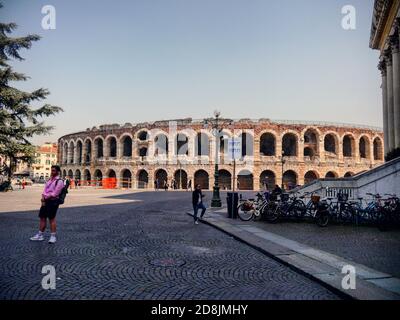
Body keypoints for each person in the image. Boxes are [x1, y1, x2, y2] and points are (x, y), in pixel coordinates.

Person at [30, 165, 64, 244]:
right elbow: (45, 189)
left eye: (54, 171)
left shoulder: (59, 181)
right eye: (51, 170)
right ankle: (40, 235)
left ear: (58, 172)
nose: (52, 172)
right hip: (45, 201)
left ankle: (53, 236)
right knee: (42, 217)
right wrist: (43, 196)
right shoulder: (49, 180)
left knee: (51, 219)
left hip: (53, 202)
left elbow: (55, 193)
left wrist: (46, 197)